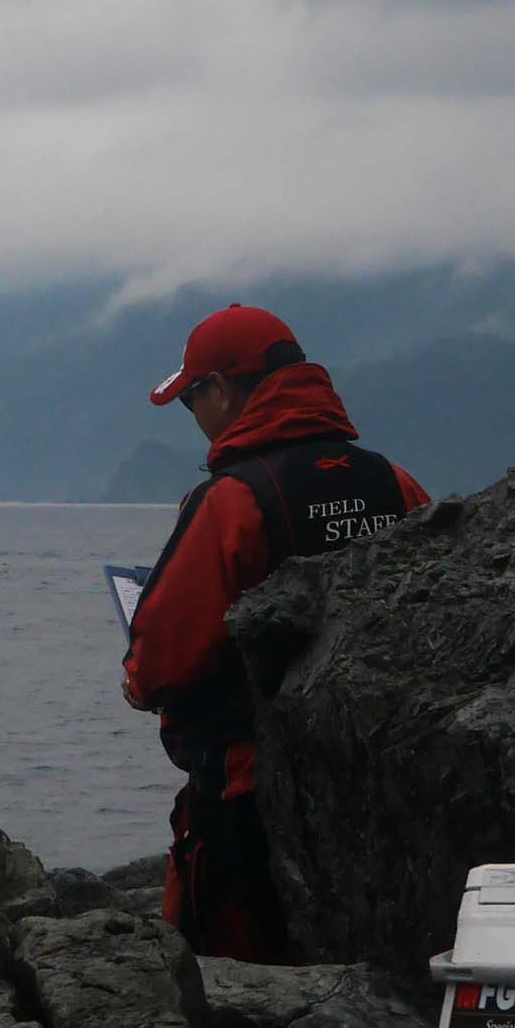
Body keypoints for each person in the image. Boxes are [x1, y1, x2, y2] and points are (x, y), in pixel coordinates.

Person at [122, 304, 430, 963]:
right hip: (385, 784)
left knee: (240, 984)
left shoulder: (231, 501)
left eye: (191, 399)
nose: (193, 416)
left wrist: (137, 682)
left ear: (221, 390)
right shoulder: (393, 482)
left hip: (254, 789)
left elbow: (160, 661)